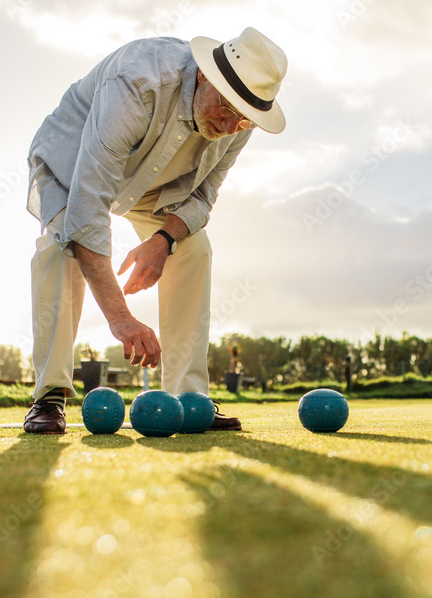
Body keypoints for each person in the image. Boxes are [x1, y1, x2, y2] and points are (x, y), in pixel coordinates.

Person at [22, 27, 287, 434]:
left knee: (194, 249)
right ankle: (49, 396)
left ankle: (189, 396)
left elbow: (204, 195)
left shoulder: (238, 123)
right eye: (226, 105)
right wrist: (120, 318)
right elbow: (88, 209)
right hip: (72, 164)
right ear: (204, 75)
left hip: (159, 183)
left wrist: (163, 241)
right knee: (61, 247)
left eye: (244, 117)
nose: (231, 122)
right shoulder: (139, 82)